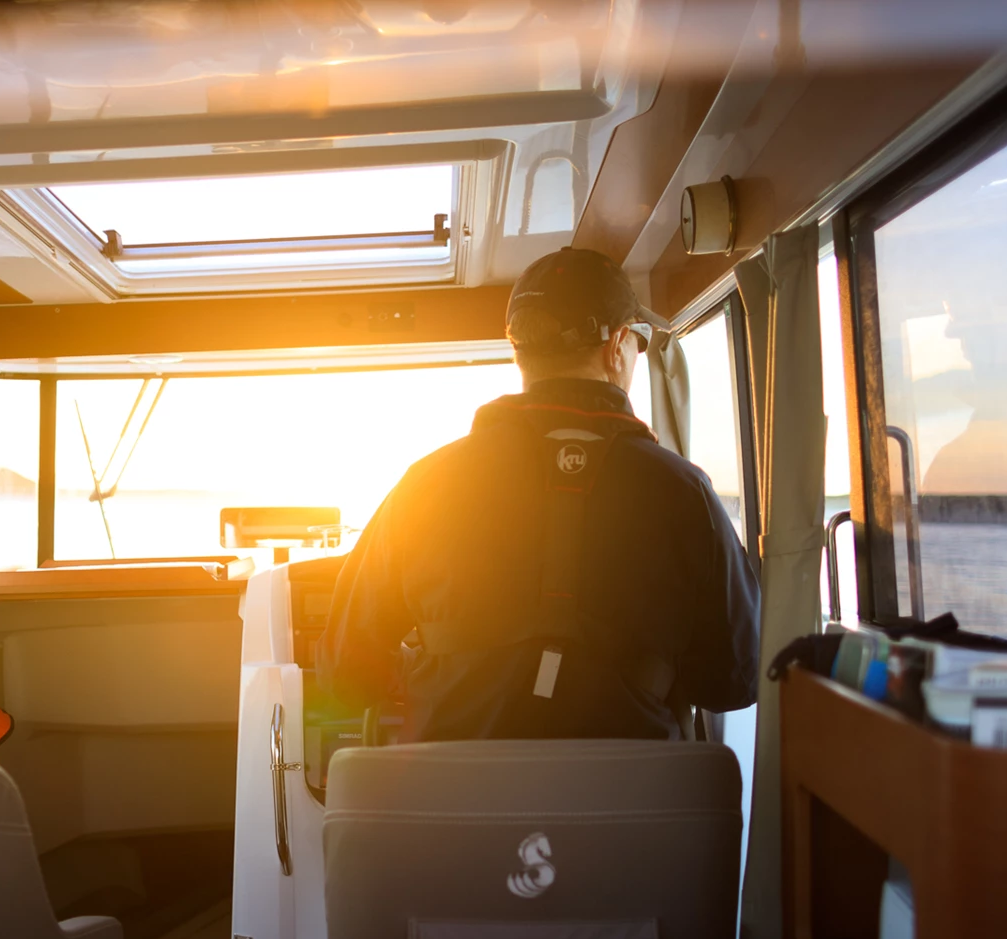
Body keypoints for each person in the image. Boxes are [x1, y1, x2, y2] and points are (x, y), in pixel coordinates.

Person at [318, 247, 760, 741]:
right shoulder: (685, 491)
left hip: (455, 808)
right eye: (635, 342)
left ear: (519, 351)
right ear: (616, 345)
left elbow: (344, 675)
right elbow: (735, 681)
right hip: (630, 809)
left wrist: (429, 669)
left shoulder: (425, 483)